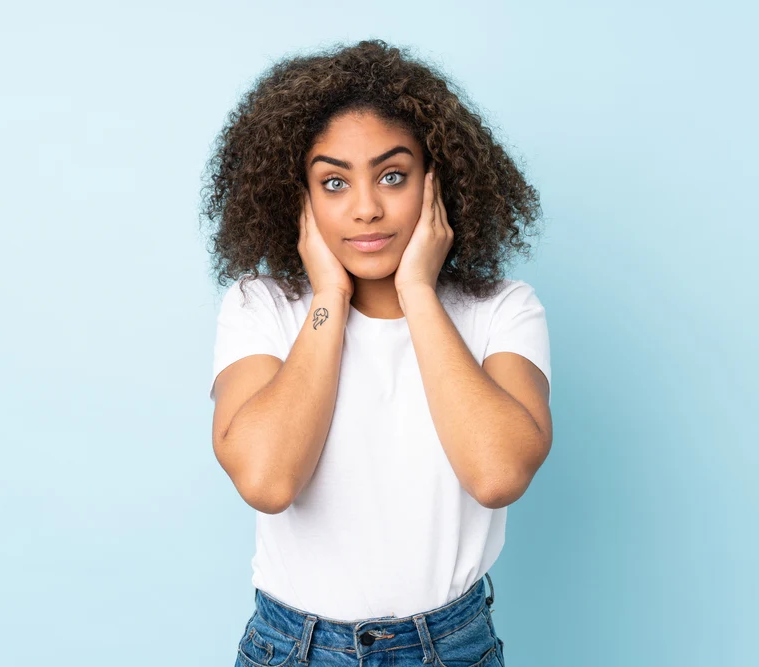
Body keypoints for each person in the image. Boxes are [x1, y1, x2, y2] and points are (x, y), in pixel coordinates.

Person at [201, 38, 551, 667]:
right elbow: (267, 480)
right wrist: (330, 294)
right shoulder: (261, 308)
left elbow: (498, 475)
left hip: (452, 648)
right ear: (300, 199)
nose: (365, 208)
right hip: (294, 649)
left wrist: (417, 289)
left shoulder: (503, 310)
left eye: (393, 176)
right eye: (334, 182)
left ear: (437, 183)